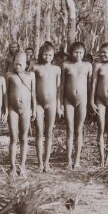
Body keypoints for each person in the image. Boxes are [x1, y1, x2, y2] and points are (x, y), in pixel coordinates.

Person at [61, 42, 92, 169]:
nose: (78, 55)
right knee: (69, 130)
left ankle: (77, 160)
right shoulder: (65, 65)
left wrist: (91, 102)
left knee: (79, 130)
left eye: (80, 52)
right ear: (70, 52)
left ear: (84, 53)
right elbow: (62, 85)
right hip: (68, 100)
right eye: (75, 52)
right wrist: (60, 103)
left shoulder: (88, 66)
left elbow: (90, 85)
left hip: (82, 101)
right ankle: (68, 160)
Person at [31, 42, 61, 173]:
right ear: (41, 54)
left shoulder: (56, 69)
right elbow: (31, 88)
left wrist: (59, 106)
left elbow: (59, 89)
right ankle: (39, 163)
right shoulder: (36, 68)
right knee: (39, 132)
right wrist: (32, 106)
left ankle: (47, 163)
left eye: (50, 54)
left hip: (52, 103)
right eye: (45, 54)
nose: (47, 56)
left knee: (49, 132)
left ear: (53, 55)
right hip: (38, 103)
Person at [6, 52, 36, 177]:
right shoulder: (9, 75)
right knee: (13, 138)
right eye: (15, 64)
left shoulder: (31, 76)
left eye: (20, 64)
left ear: (26, 65)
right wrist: (6, 110)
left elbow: (33, 93)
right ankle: (12, 166)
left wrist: (34, 110)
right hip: (13, 109)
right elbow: (6, 94)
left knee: (24, 138)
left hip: (26, 109)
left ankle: (22, 165)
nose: (17, 66)